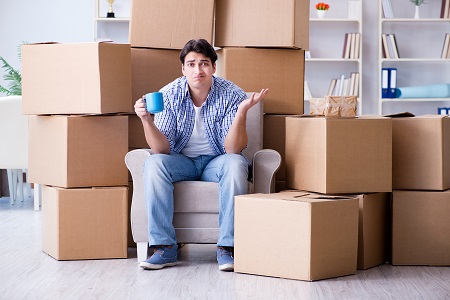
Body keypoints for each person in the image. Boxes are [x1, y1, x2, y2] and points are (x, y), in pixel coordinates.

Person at [134, 38, 268, 271]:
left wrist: (242, 112)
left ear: (214, 67)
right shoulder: (168, 94)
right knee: (154, 163)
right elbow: (162, 150)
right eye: (192, 64)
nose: (198, 70)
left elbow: (232, 150)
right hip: (181, 162)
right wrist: (146, 119)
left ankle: (228, 248)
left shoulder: (231, 94)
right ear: (183, 68)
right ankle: (164, 248)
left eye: (204, 64)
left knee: (236, 164)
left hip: (216, 161)